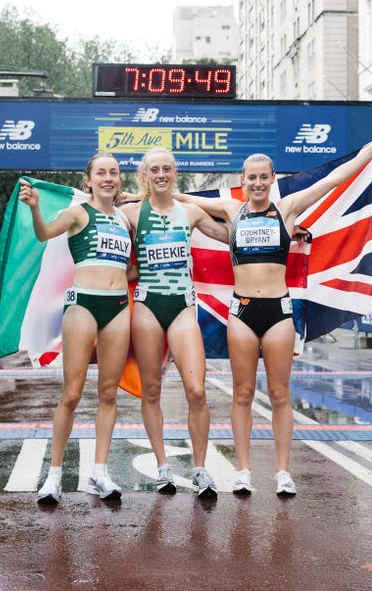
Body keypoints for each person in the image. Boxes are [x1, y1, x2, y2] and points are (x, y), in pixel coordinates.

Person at [178, 130, 372, 497]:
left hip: (279, 312)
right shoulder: (231, 212)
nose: (257, 183)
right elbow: (176, 197)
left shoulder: (286, 209)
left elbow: (335, 178)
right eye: (251, 178)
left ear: (273, 179)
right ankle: (244, 470)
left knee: (281, 394)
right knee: (242, 394)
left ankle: (283, 471)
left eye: (264, 177)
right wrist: (138, 195)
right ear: (242, 181)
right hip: (242, 312)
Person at [19, 153, 133, 505]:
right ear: (89, 180)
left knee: (109, 394)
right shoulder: (78, 213)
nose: (108, 178)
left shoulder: (126, 219)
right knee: (71, 393)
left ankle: (99, 472)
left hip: (118, 307)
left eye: (113, 173)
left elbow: (130, 269)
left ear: (119, 180)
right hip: (83, 304)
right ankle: (53, 476)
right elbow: (43, 235)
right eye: (101, 173)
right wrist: (36, 208)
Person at [118, 147, 229, 500]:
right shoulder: (132, 212)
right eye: (155, 170)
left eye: (167, 169)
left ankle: (199, 469)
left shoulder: (191, 211)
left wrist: (288, 229)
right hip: (149, 307)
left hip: (182, 308)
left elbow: (231, 235)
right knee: (151, 390)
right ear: (145, 175)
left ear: (175, 173)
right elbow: (94, 216)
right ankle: (163, 466)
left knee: (196, 391)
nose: (161, 174)